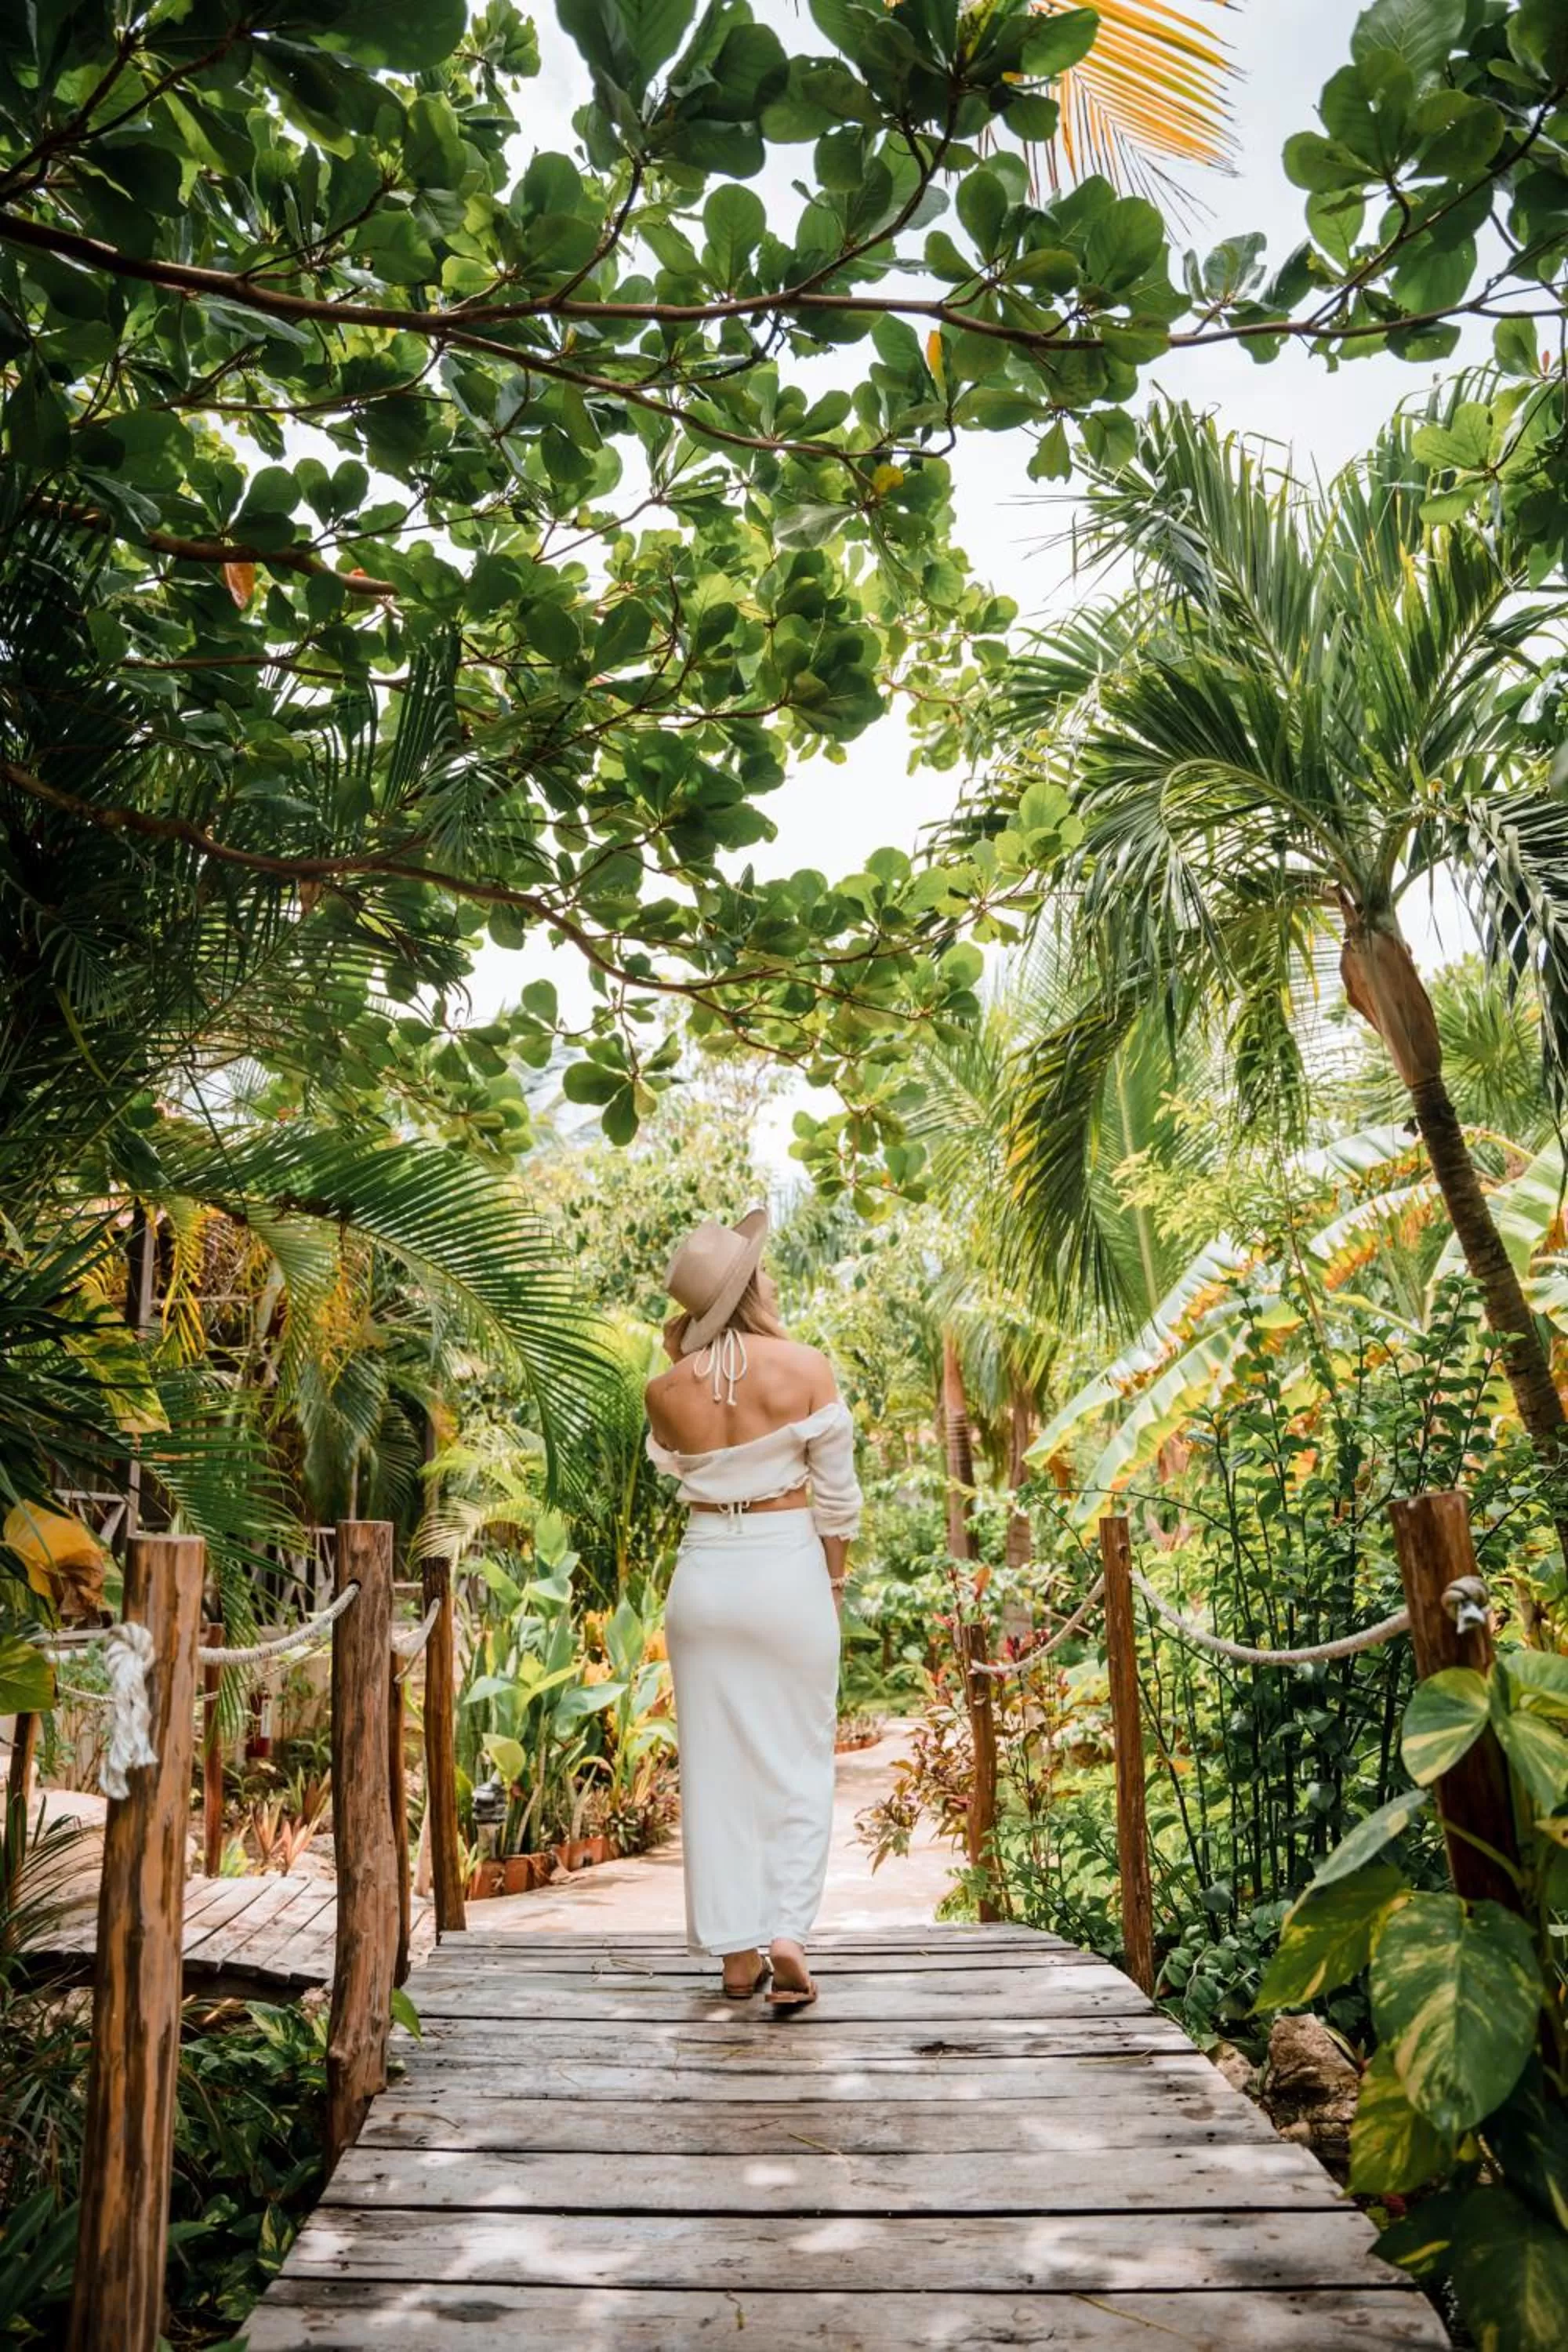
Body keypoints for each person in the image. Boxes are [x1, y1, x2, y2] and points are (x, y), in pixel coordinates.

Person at [644, 1205, 862, 2012]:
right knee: (797, 1759)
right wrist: (830, 1585)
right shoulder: (805, 1367)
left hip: (703, 1579)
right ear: (752, 1285)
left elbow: (687, 1463)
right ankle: (786, 1936)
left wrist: (682, 1352)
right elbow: (836, 1502)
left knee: (714, 1768)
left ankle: (735, 1958)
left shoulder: (662, 1389)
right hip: (785, 1568)